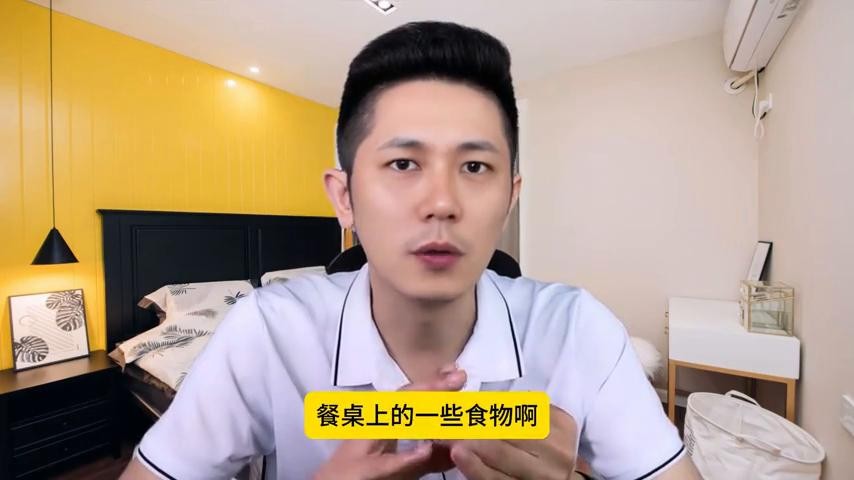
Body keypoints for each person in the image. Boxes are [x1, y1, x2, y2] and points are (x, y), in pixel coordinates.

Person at [120, 21, 700, 480]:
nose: (441, 202)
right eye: (403, 163)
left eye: (475, 167)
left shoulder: (579, 330)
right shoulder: (265, 332)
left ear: (509, 198)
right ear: (344, 198)